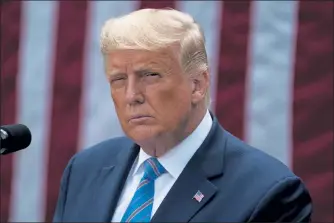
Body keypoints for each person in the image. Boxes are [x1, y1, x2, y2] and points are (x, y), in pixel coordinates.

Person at [53, 8, 312, 222]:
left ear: (197, 84)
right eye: (119, 79)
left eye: (150, 75)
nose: (132, 95)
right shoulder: (84, 170)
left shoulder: (269, 193)